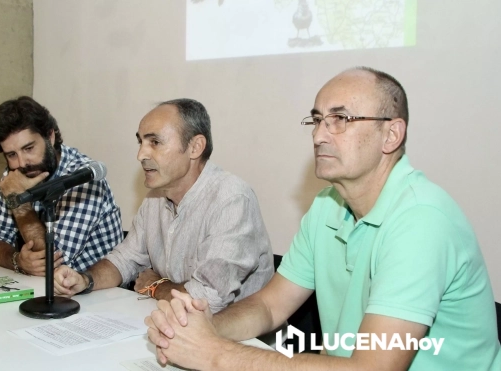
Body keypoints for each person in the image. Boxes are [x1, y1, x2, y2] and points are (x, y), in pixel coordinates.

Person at [146, 68, 501, 370]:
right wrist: (204, 328)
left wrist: (215, 354)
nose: (318, 135)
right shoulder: (327, 206)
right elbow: (270, 307)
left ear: (391, 135)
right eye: (316, 120)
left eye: (340, 120)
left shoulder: (421, 221)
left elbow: (371, 369)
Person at [53, 98, 274, 313]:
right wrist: (84, 280)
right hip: (177, 323)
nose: (140, 154)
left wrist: (156, 285)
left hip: (243, 340)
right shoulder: (155, 198)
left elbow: (206, 299)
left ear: (195, 147)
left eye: (155, 142)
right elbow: (125, 260)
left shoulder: (231, 199)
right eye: (140, 142)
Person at [0, 96, 122, 276]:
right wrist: (17, 260)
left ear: (50, 136)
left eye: (29, 148)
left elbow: (53, 261)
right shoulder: (15, 176)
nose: (22, 163)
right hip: (45, 288)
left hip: (97, 294)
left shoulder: (83, 178)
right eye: (11, 155)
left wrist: (19, 204)